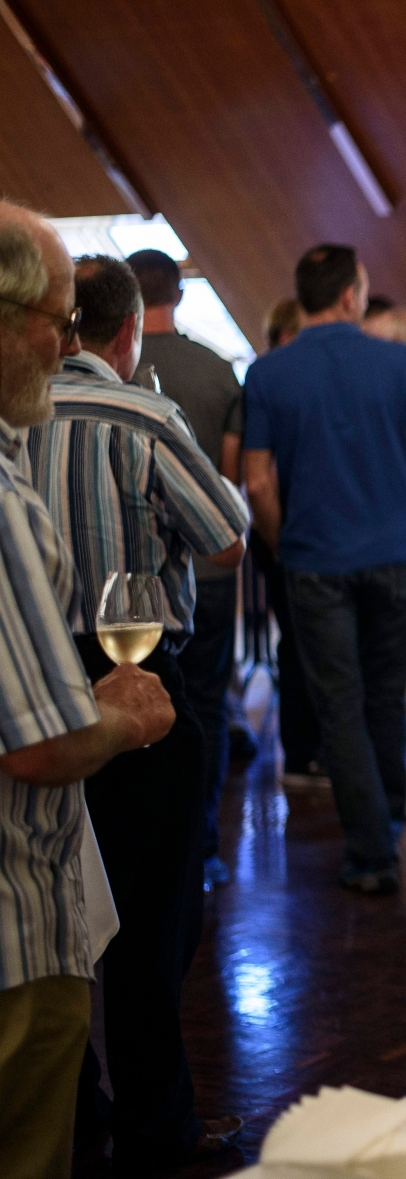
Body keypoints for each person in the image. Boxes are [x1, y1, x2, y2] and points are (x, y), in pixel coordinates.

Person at [25, 253, 249, 1169]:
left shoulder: (14, 419)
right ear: (128, 333)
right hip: (145, 683)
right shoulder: (144, 412)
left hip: (32, 686)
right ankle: (159, 1126)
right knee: (153, 919)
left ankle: (75, 1111)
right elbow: (227, 540)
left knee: (53, 904)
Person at [0, 205, 178, 1179]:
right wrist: (123, 715)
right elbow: (37, 747)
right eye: (50, 319)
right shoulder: (1, 499)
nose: (58, 345)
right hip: (14, 931)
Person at [242, 244, 406, 895]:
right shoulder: (398, 361)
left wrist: (285, 544)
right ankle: (385, 825)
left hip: (314, 556)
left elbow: (257, 483)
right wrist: (404, 506)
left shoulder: (268, 373)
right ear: (348, 296)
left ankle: (370, 852)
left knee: (339, 704)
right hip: (392, 552)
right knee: (386, 697)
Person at [127, 247, 245, 887]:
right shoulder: (217, 369)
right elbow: (229, 478)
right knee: (206, 708)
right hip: (213, 569)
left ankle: (135, 852)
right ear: (179, 293)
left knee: (131, 711)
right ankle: (202, 847)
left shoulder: (115, 368)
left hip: (131, 584)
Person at [252, 295, 323, 793]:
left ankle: (309, 751)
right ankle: (300, 754)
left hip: (297, 532)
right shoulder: (271, 381)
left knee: (306, 646)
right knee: (298, 646)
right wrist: (280, 544)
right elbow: (261, 479)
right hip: (283, 533)